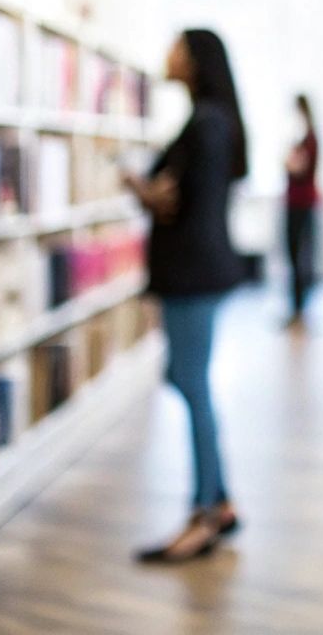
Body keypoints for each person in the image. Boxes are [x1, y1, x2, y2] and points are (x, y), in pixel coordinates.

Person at [125, 28, 248, 564]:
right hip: (198, 271)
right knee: (184, 377)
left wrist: (145, 191)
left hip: (193, 274)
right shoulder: (211, 121)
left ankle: (202, 513)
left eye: (175, 47)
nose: (166, 55)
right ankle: (218, 500)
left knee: (191, 383)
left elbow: (178, 201)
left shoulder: (207, 124)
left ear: (196, 60)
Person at [283, 93, 321, 325]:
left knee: (300, 255)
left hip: (302, 203)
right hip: (295, 202)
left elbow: (301, 171)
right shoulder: (303, 140)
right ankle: (296, 307)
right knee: (294, 255)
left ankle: (300, 308)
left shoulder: (310, 140)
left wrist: (289, 165)